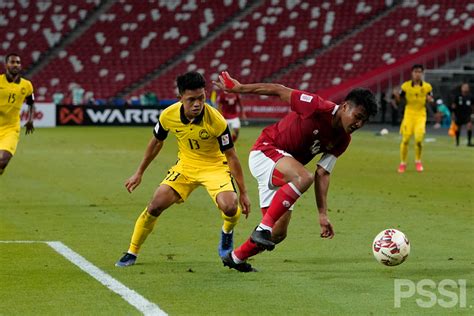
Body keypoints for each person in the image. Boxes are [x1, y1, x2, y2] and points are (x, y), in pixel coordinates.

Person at [213, 71, 377, 272]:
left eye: (364, 121)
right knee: (302, 177)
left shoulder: (343, 140)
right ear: (344, 107)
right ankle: (262, 228)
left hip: (285, 172)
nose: (358, 124)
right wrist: (240, 89)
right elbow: (278, 90)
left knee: (279, 233)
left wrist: (322, 214)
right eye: (357, 117)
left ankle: (236, 258)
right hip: (266, 151)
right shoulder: (317, 106)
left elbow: (323, 173)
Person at [115, 71, 251, 267]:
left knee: (230, 207)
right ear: (180, 98)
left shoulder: (216, 120)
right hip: (186, 166)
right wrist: (139, 172)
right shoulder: (168, 115)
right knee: (155, 205)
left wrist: (244, 192)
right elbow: (156, 142)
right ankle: (132, 251)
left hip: (215, 167)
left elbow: (231, 156)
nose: (197, 104)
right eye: (191, 99)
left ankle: (227, 232)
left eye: (201, 98)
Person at [394, 64, 433, 173]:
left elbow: (431, 98)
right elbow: (399, 101)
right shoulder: (405, 86)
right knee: (405, 140)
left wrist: (430, 99)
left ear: (422, 73)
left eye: (419, 72)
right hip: (409, 115)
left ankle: (418, 161)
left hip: (421, 115)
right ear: (412, 73)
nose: (417, 74)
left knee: (419, 139)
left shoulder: (427, 87)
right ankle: (403, 163)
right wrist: (396, 96)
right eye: (415, 72)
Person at [0, 53, 35, 176]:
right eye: (12, 62)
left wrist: (30, 119)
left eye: (18, 62)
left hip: (11, 128)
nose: (15, 65)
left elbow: (31, 102)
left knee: (2, 160)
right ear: (6, 65)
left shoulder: (27, 85)